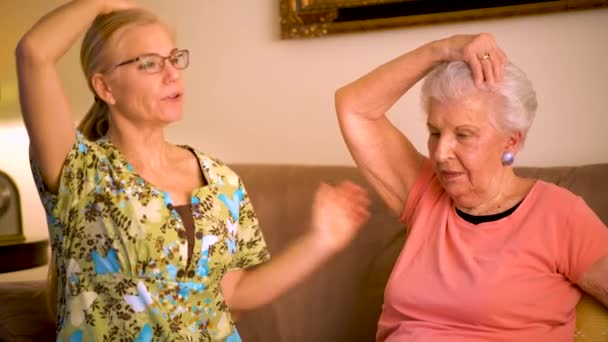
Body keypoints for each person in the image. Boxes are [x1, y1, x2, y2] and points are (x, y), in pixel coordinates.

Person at [16, 1, 371, 341]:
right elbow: (34, 53)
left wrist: (320, 241)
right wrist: (101, 2)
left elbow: (236, 294)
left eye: (173, 59)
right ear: (105, 87)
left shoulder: (221, 180)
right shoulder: (79, 171)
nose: (172, 74)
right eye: (150, 64)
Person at [335, 33, 608, 341]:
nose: (440, 153)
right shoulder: (425, 193)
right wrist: (443, 49)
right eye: (435, 132)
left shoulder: (559, 215)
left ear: (511, 141)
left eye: (463, 135)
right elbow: (353, 107)